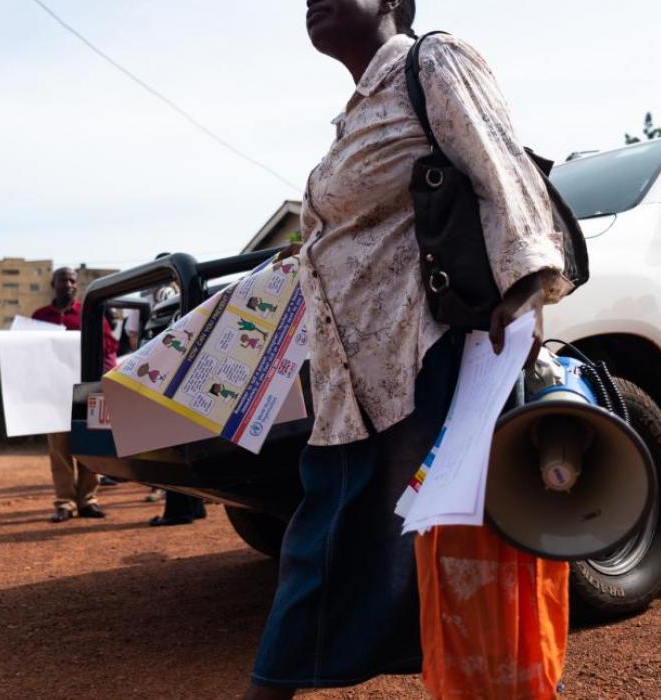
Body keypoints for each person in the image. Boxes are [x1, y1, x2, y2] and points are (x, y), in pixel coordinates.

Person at [243, 3, 572, 698]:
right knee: (351, 549)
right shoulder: (356, 114)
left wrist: (521, 313)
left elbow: (504, 177)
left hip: (428, 362)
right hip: (354, 384)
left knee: (408, 552)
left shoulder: (434, 63)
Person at [31, 267, 111, 522]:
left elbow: (108, 349)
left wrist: (106, 383)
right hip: (54, 392)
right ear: (52, 283)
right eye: (61, 280)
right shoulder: (39, 317)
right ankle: (65, 502)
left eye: (71, 280)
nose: (66, 284)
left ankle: (88, 500)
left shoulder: (90, 314)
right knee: (59, 449)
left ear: (77, 285)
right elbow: (29, 355)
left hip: (88, 389)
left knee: (91, 447)